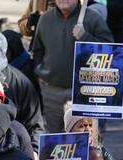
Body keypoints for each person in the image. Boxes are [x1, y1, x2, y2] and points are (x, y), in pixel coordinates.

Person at [30, 0, 114, 133]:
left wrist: (85, 37)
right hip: (52, 92)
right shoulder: (45, 19)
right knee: (55, 140)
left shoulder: (92, 18)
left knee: (86, 141)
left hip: (84, 91)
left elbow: (110, 51)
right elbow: (38, 50)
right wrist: (40, 74)